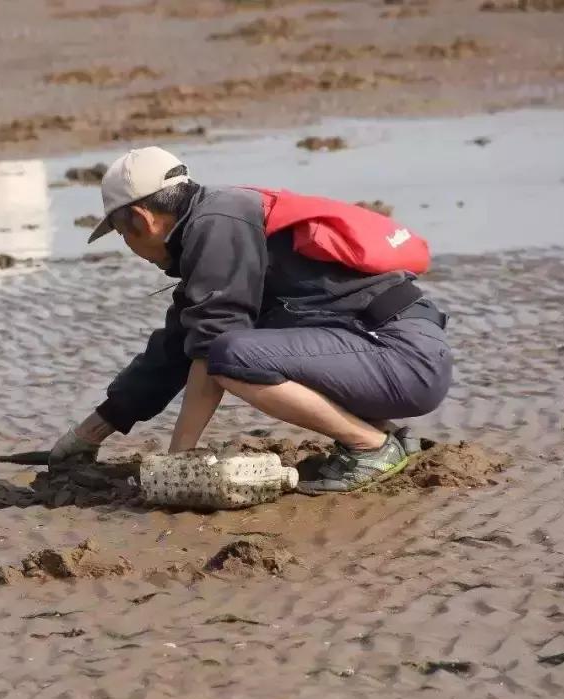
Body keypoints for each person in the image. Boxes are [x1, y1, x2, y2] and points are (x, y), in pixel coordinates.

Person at [48, 146, 452, 493]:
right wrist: (88, 434)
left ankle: (371, 446)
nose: (129, 246)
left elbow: (211, 345)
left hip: (403, 358)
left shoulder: (217, 225)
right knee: (227, 347)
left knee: (230, 354)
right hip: (390, 353)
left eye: (123, 234)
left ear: (141, 219)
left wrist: (178, 460)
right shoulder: (213, 224)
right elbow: (173, 350)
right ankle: (384, 435)